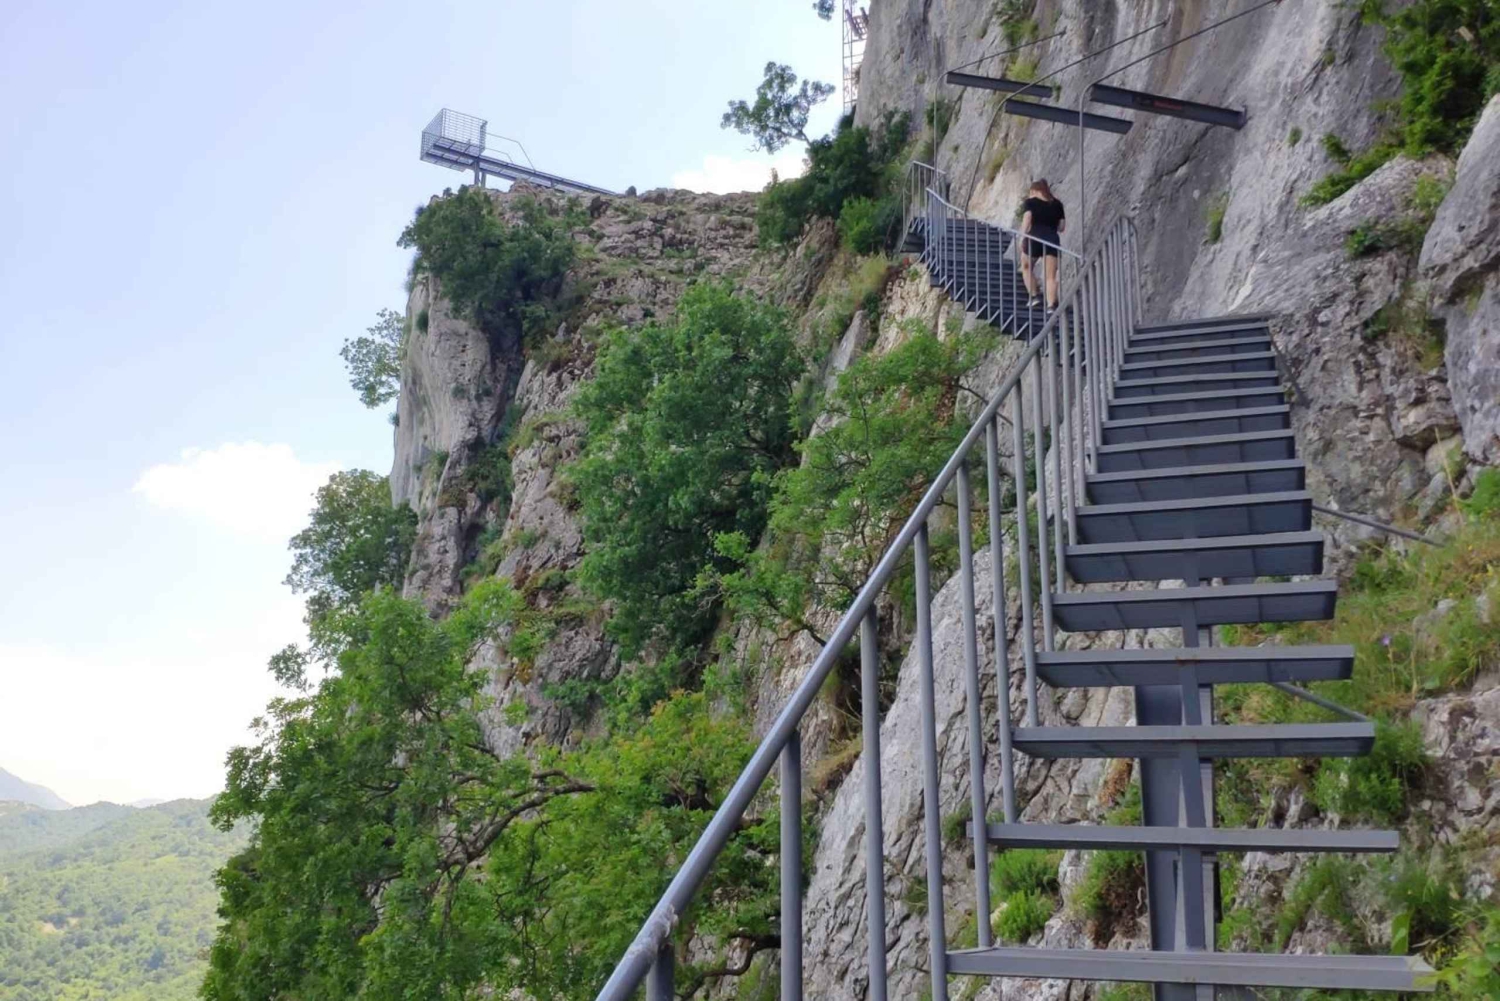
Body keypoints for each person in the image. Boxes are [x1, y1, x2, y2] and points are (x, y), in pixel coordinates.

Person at [1019, 179, 1066, 311]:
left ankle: (1034, 296)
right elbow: (1061, 227)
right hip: (1051, 240)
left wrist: (1022, 237)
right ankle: (1051, 306)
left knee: (1026, 266)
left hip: (1033, 238)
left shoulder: (1030, 202)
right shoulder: (1057, 204)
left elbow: (1027, 218)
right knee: (1050, 276)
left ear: (1034, 191)